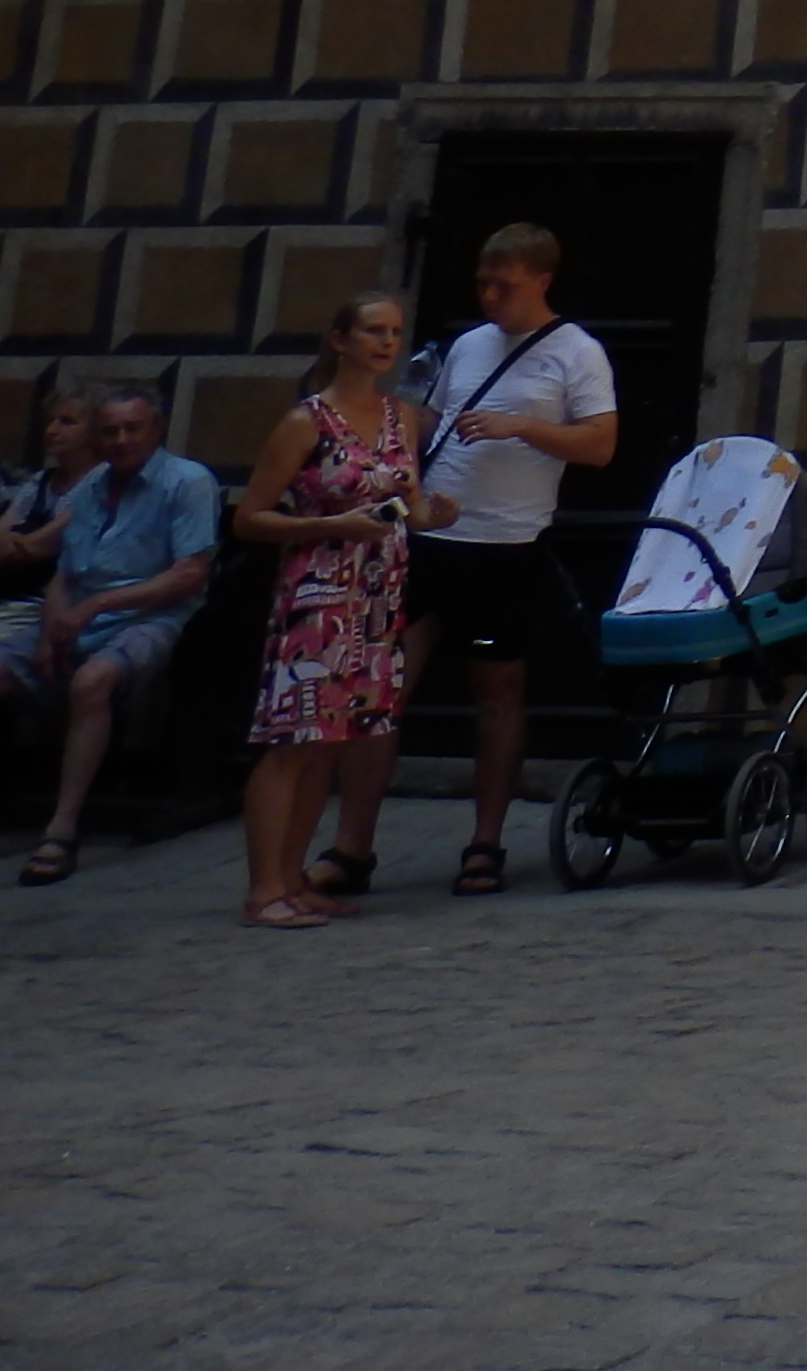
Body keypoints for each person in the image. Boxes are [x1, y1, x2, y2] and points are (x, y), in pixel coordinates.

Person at [329, 224, 615, 901]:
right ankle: (351, 847)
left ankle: (485, 842)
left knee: (498, 694)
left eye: (504, 286)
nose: (489, 297)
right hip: (429, 539)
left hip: (505, 545)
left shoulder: (577, 352)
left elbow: (601, 445)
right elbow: (429, 423)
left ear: (542, 280)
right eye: (483, 283)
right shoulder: (467, 345)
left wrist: (523, 427)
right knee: (382, 690)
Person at [231, 295, 423, 931]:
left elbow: (410, 502)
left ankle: (293, 878)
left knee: (332, 741)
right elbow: (250, 516)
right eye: (373, 331)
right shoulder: (306, 421)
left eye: (394, 332)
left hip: (377, 596)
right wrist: (330, 525)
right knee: (292, 739)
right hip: (317, 594)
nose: (386, 342)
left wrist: (434, 512)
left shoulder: (401, 417)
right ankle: (263, 888)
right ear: (340, 339)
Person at [5, 384, 226, 885]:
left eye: (133, 428)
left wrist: (96, 606)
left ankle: (61, 828)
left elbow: (189, 575)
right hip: (78, 613)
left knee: (93, 681)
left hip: (150, 616)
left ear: (156, 429)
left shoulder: (187, 481)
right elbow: (64, 573)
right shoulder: (90, 486)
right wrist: (51, 631)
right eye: (110, 431)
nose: (122, 439)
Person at [0, 388, 92, 685]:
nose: (52, 430)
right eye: (51, 421)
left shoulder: (97, 486)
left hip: (39, 607)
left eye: (67, 422)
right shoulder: (41, 480)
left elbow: (40, 546)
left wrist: (20, 543)